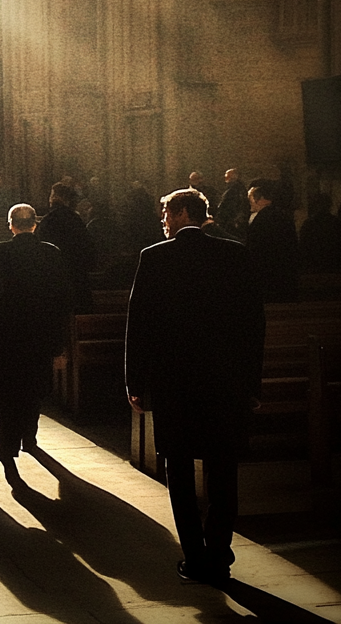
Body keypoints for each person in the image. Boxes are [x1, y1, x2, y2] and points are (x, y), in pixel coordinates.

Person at [125, 188, 263, 586]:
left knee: (179, 472)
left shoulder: (154, 258)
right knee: (223, 471)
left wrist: (135, 381)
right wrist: (252, 382)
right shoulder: (235, 254)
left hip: (174, 384)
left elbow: (140, 326)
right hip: (226, 383)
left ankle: (195, 556)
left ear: (184, 212)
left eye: (167, 212)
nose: (163, 220)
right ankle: (219, 552)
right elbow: (254, 324)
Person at [0, 204, 70, 470]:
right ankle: (29, 436)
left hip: (9, 331)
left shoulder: (0, 252)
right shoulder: (50, 253)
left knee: (8, 389)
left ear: (11, 224)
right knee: (33, 387)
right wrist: (58, 343)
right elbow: (60, 299)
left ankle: (6, 441)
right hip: (39, 330)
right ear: (34, 224)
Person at [36, 182, 96, 311]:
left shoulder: (48, 220)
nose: (50, 198)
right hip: (76, 276)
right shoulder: (76, 220)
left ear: (57, 197)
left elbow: (42, 250)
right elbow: (87, 248)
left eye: (52, 195)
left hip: (55, 278)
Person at [245, 180, 299, 301]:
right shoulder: (284, 216)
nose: (250, 205)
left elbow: (254, 248)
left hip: (266, 275)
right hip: (286, 274)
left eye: (251, 200)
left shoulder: (260, 219)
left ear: (261, 199)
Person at [215, 168, 249, 237]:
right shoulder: (235, 188)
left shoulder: (236, 189)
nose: (225, 177)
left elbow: (233, 205)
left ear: (234, 176)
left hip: (230, 221)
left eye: (228, 175)